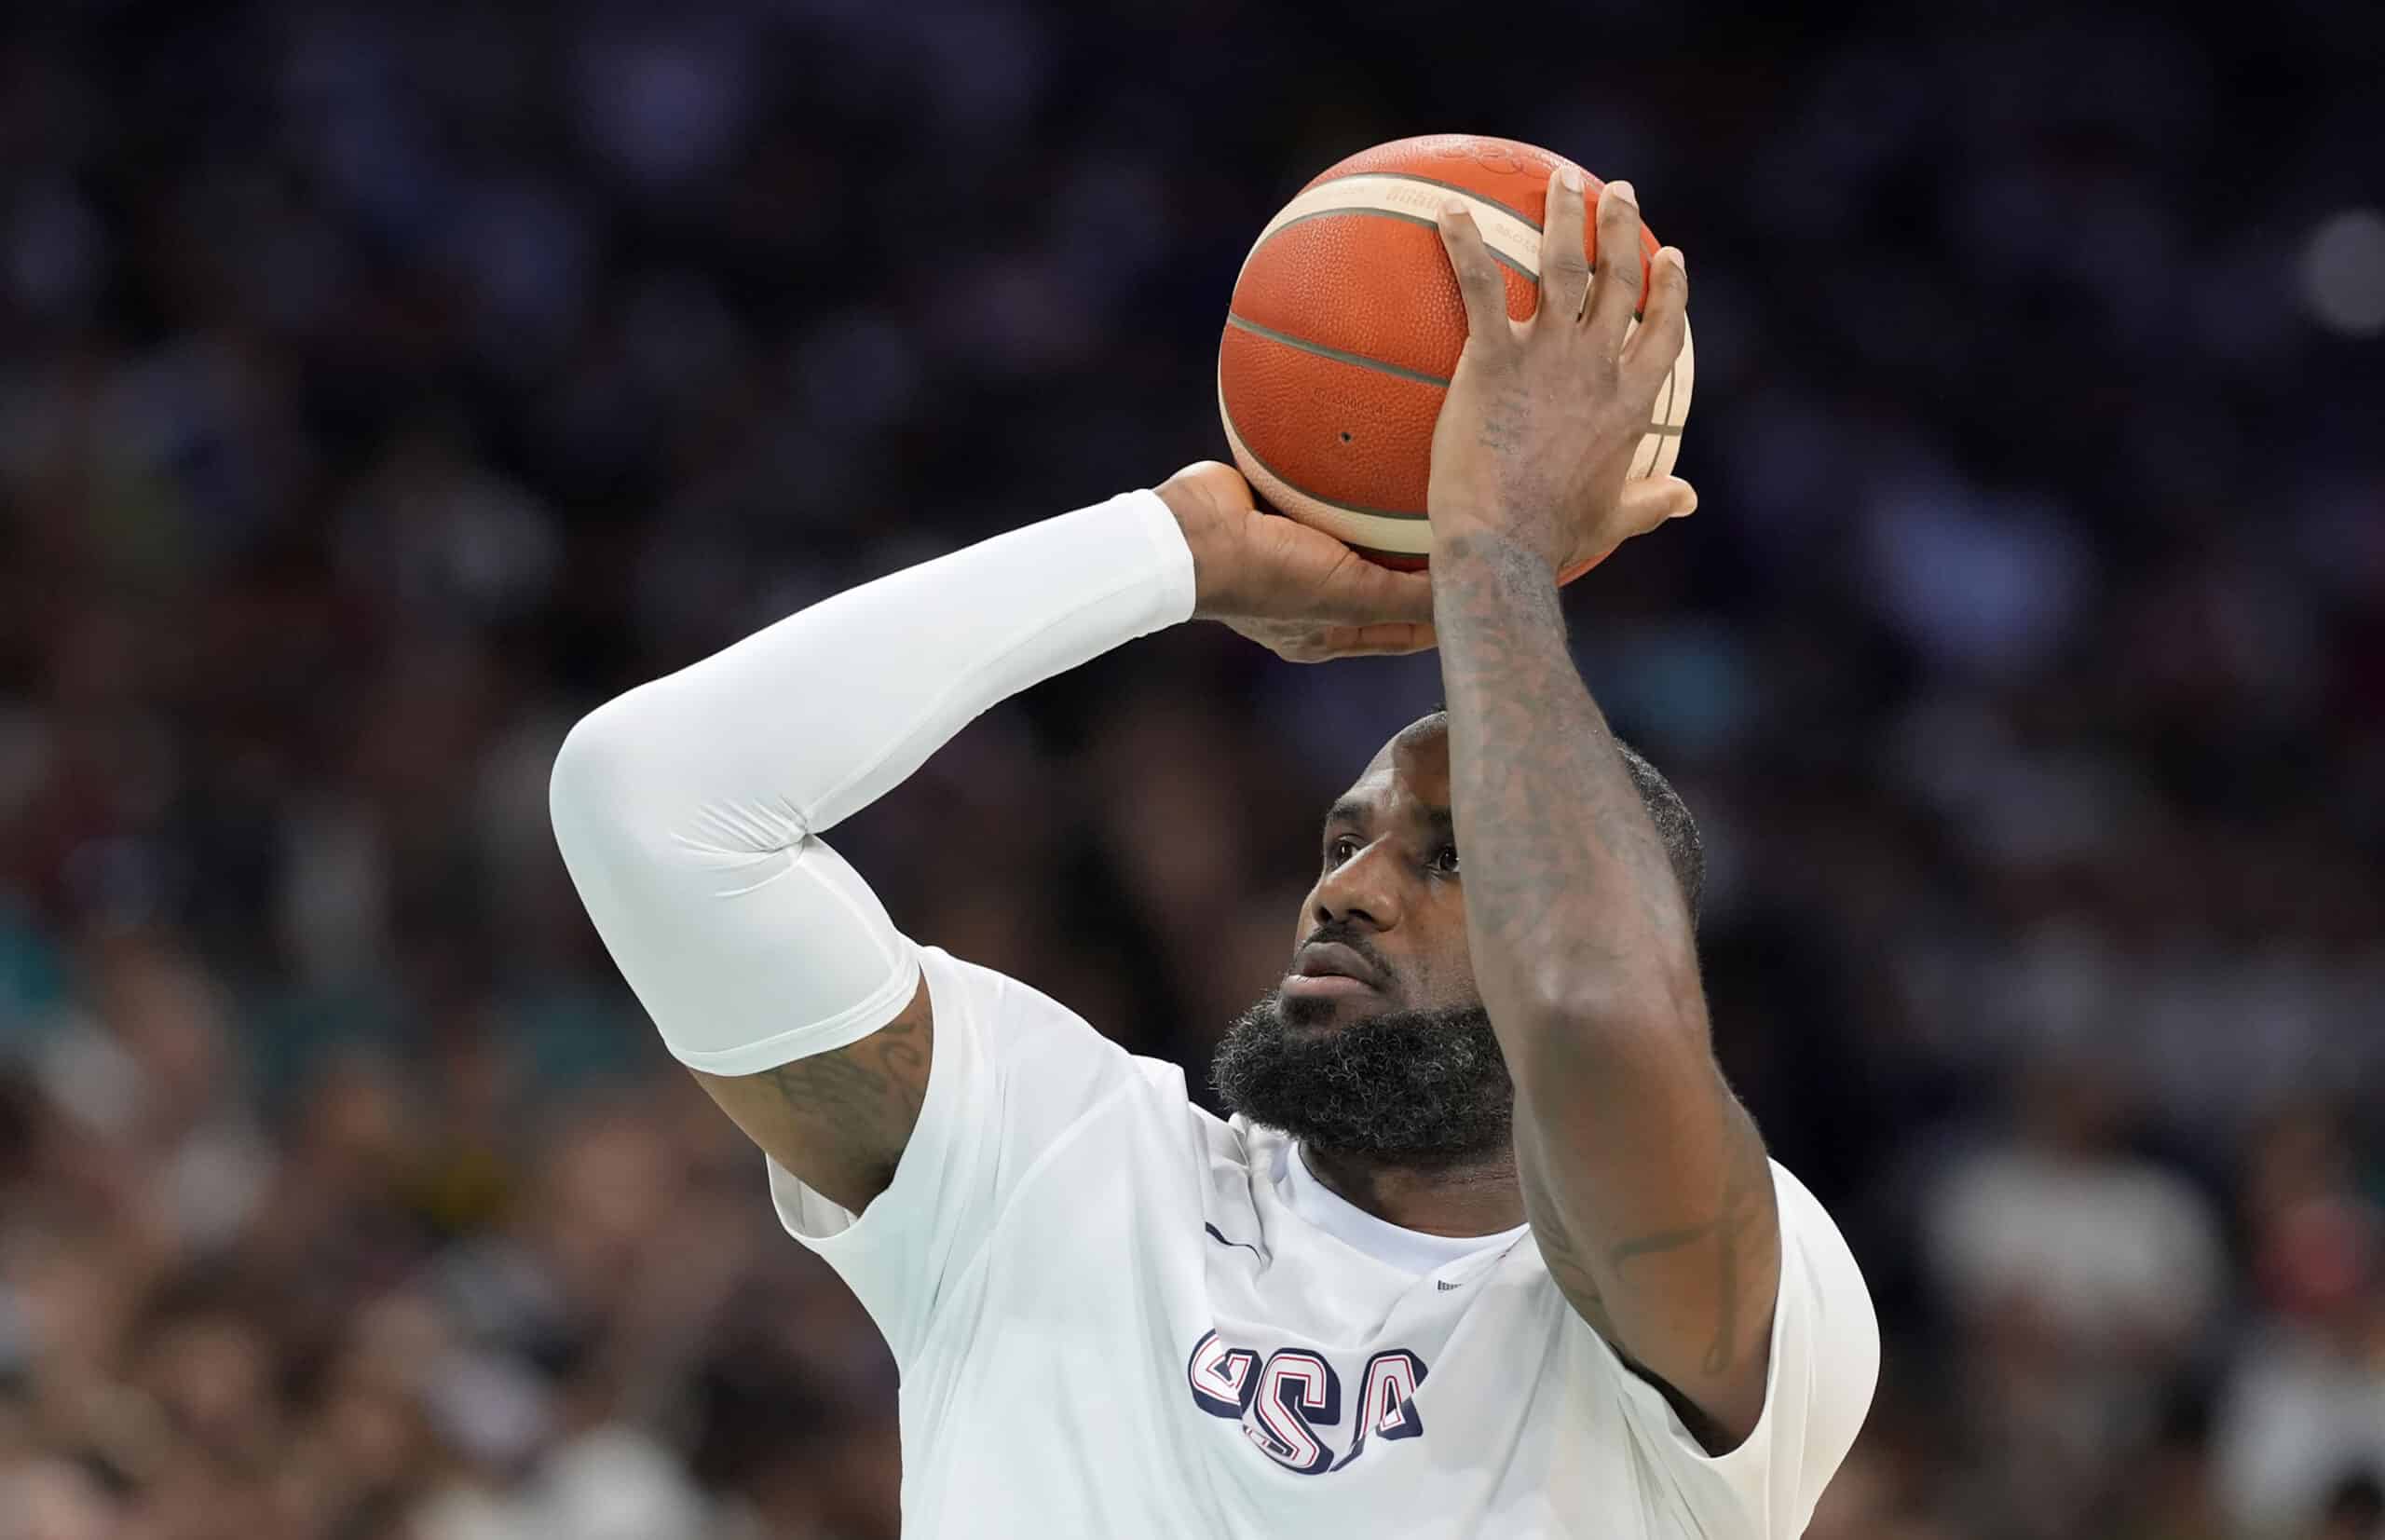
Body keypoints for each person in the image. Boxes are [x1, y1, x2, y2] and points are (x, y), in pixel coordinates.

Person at [550, 169, 1877, 1537]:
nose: (1347, 888)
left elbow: (1598, 1019)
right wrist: (1172, 553)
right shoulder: (1057, 1161)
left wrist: (1495, 551)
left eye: (1450, 858)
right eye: (1341, 838)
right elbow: (649, 801)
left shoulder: (1749, 1303)